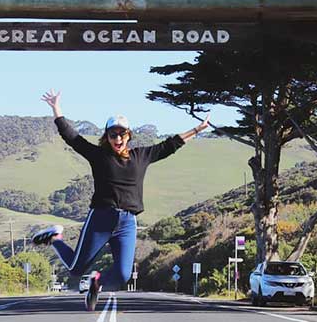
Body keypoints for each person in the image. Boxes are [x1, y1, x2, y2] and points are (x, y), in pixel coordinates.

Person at [32, 89, 209, 311]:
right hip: (101, 219)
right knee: (76, 268)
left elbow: (169, 146)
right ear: (106, 137)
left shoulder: (141, 156)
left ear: (129, 136)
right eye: (113, 135)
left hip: (127, 222)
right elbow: (72, 138)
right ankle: (55, 238)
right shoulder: (99, 156)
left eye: (122, 134)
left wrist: (197, 129)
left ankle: (97, 283)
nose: (118, 139)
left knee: (124, 274)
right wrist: (56, 109)